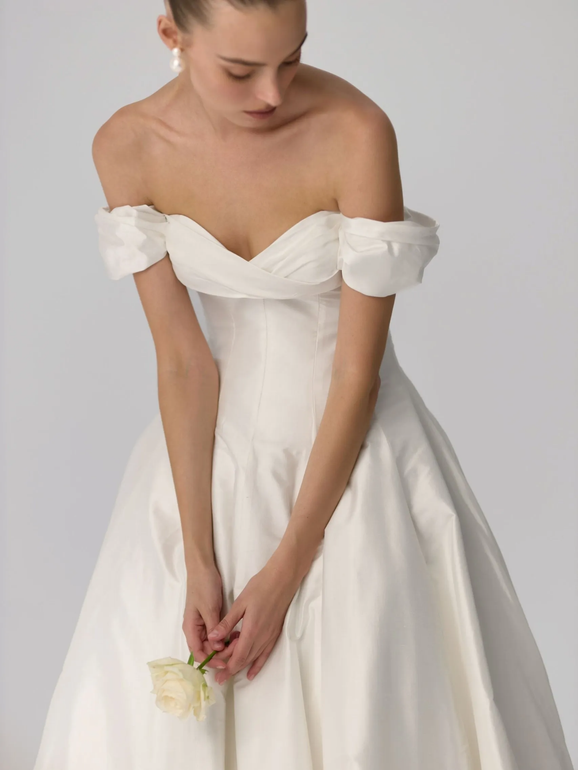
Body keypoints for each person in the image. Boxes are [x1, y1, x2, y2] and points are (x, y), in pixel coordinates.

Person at [33, 0, 575, 768]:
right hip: (204, 459)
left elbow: (358, 371)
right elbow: (185, 360)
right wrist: (198, 556)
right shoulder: (128, 146)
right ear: (171, 35)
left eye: (291, 59)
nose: (272, 95)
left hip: (357, 453)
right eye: (239, 69)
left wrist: (288, 567)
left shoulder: (357, 132)